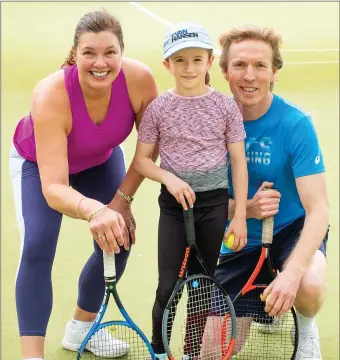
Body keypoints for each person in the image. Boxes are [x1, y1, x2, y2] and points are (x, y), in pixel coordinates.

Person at [9, 10, 158, 360]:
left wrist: (121, 201)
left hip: (100, 159)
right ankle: (33, 355)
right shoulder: (50, 94)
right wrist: (96, 209)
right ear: (75, 54)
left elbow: (151, 147)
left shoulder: (140, 81)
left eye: (110, 52)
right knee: (38, 248)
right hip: (38, 166)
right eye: (89, 52)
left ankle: (80, 331)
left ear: (122, 52)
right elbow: (54, 188)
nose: (100, 62)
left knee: (119, 240)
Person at [206, 25, 329, 359]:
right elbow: (203, 202)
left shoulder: (295, 124)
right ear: (225, 71)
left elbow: (319, 210)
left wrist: (291, 275)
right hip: (240, 238)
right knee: (212, 353)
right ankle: (263, 304)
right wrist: (245, 208)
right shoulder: (212, 123)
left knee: (309, 282)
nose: (250, 75)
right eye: (240, 65)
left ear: (274, 72)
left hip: (291, 230)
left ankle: (305, 327)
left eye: (260, 66)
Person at [133, 22, 248, 360]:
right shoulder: (158, 108)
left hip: (213, 207)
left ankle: (190, 353)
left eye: (196, 59)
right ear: (167, 65)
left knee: (201, 285)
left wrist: (238, 214)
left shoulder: (226, 107)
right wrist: (169, 178)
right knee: (168, 286)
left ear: (210, 62)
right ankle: (159, 349)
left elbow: (238, 163)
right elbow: (142, 161)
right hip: (173, 207)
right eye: (179, 60)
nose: (188, 68)